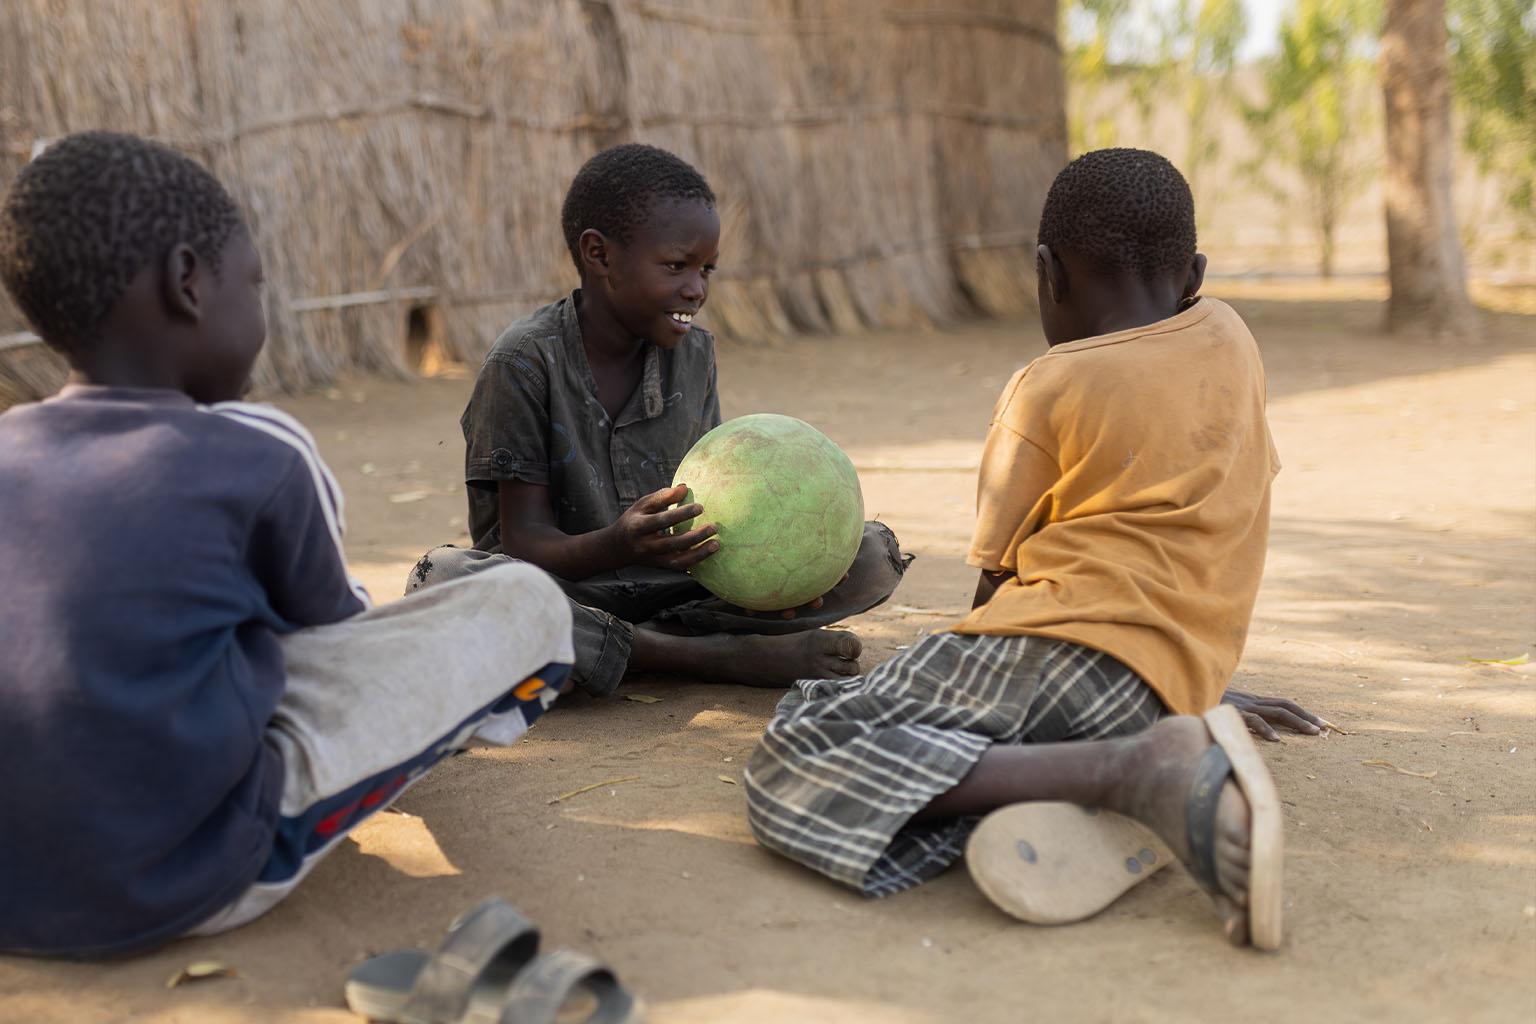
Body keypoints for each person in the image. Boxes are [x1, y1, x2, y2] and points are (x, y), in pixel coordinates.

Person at [0, 132, 573, 956]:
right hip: (178, 879)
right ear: (189, 280)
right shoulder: (253, 453)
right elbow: (334, 644)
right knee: (522, 601)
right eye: (256, 283)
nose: (261, 310)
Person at [742, 148, 1324, 948]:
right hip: (1172, 679)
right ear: (1194, 273)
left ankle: (1131, 775)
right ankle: (1112, 767)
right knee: (850, 708)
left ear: (1047, 274)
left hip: (1053, 645)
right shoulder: (1232, 339)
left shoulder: (1047, 388)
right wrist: (1192, 686)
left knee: (798, 748)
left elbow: (994, 594)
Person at [409, 143, 909, 696]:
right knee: (445, 580)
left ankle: (625, 648)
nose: (696, 288)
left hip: (679, 590)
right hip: (564, 589)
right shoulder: (523, 362)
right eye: (676, 265)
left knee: (870, 552)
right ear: (599, 255)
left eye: (706, 269)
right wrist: (619, 545)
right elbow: (524, 542)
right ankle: (708, 657)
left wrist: (786, 561)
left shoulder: (695, 356)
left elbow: (715, 500)